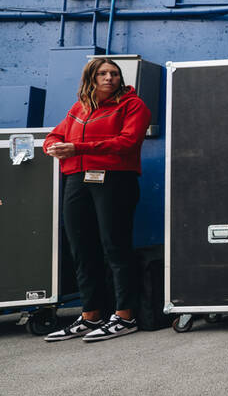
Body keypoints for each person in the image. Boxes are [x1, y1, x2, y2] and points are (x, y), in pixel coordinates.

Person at [42, 58, 151, 343]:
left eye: (114, 73)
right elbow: (56, 133)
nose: (109, 78)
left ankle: (125, 316)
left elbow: (127, 141)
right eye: (102, 73)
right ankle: (91, 315)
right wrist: (51, 146)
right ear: (91, 78)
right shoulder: (79, 109)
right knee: (81, 248)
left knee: (115, 247)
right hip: (77, 180)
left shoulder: (133, 105)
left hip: (114, 179)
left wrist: (77, 147)